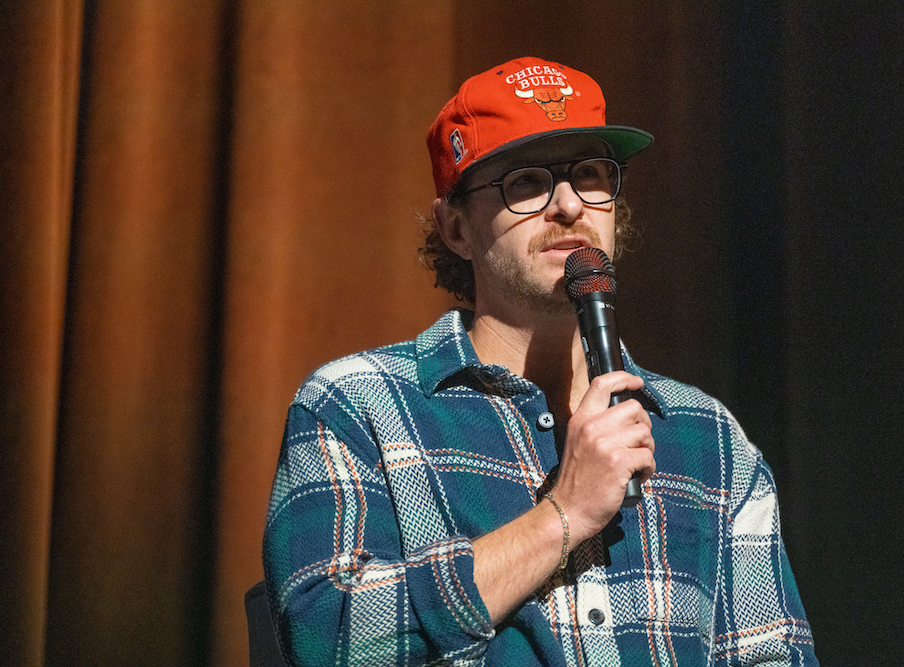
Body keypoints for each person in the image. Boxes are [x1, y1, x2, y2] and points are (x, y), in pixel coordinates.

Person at [263, 56, 818, 666]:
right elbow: (325, 638)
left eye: (589, 174)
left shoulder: (707, 438)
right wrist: (564, 515)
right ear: (456, 228)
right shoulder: (358, 406)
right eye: (525, 182)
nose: (569, 206)